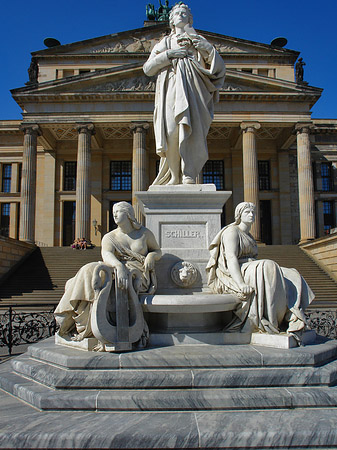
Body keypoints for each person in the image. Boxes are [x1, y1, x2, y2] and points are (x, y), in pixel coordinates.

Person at [55, 202, 162, 348]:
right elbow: (107, 254)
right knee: (90, 269)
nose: (115, 214)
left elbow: (157, 251)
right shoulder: (109, 237)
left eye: (118, 211)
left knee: (98, 274)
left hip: (138, 276)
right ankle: (75, 318)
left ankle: (81, 320)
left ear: (129, 214)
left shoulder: (144, 233)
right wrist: (118, 266)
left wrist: (151, 256)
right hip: (116, 269)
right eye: (113, 212)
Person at [143, 3, 226, 185]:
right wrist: (169, 55)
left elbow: (219, 68)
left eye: (184, 13)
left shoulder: (199, 41)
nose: (181, 15)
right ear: (171, 20)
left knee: (191, 131)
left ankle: (189, 173)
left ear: (190, 19)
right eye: (177, 13)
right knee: (171, 131)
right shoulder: (164, 43)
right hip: (171, 88)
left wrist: (206, 48)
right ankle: (174, 176)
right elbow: (148, 68)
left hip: (194, 90)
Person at [206, 202, 314, 337]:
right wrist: (241, 284)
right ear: (239, 215)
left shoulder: (250, 236)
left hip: (252, 268)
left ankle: (293, 316)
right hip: (236, 271)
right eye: (247, 212)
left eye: (253, 212)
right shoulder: (231, 232)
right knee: (268, 266)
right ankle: (271, 319)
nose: (251, 215)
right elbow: (231, 258)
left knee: (291, 273)